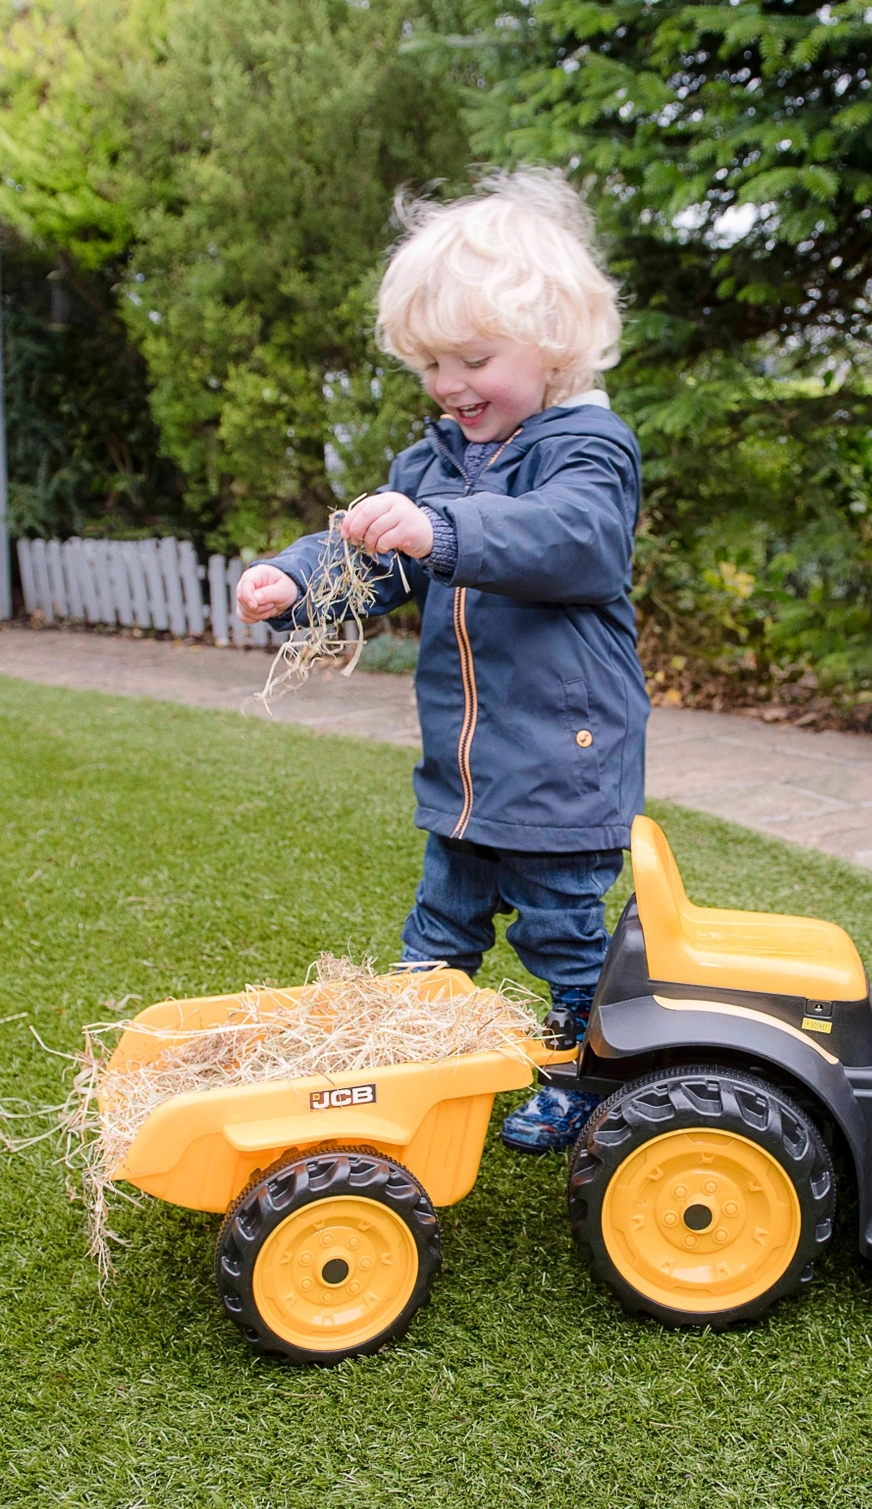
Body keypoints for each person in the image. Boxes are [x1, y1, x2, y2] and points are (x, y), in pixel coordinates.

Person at [234, 168, 644, 1154]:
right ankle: (411, 1060)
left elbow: (574, 539)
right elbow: (370, 558)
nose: (450, 384)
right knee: (437, 929)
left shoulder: (587, 449)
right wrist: (296, 582)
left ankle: (592, 1076)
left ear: (555, 344)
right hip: (462, 772)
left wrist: (440, 530)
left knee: (560, 933)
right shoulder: (433, 462)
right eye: (430, 364)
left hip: (562, 766)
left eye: (473, 358)